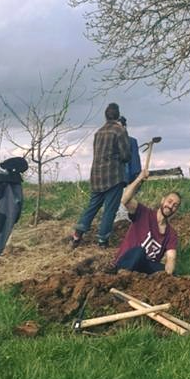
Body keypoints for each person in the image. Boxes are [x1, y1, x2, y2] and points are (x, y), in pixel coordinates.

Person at [70, 102, 131, 248]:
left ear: (105, 116)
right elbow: (126, 155)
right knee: (110, 209)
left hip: (97, 176)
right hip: (113, 176)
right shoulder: (120, 131)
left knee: (92, 206)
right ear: (118, 115)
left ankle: (77, 235)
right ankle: (102, 240)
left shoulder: (98, 132)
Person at [111, 171, 180, 275]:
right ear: (162, 201)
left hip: (144, 266)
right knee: (140, 251)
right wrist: (139, 179)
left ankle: (141, 280)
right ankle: (122, 276)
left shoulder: (171, 234)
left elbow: (171, 258)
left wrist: (168, 275)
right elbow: (125, 200)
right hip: (127, 262)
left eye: (175, 205)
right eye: (169, 202)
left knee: (171, 273)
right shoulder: (143, 213)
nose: (170, 206)